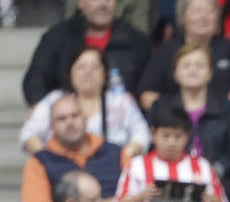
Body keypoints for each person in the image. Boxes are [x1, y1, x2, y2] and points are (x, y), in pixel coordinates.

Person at [23, 0, 151, 106]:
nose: (103, 4)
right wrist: (48, 108)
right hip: (68, 117)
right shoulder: (58, 37)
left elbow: (147, 88)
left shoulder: (136, 41)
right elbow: (34, 81)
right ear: (81, 2)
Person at [150, 43, 230, 202]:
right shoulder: (161, 106)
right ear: (176, 73)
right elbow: (151, 146)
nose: (193, 70)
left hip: (216, 179)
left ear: (210, 73)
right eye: (186, 65)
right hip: (169, 175)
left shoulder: (226, 107)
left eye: (200, 65)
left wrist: (213, 170)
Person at [138, 0, 230, 112]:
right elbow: (147, 94)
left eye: (210, 11)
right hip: (175, 123)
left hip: (221, 120)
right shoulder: (166, 50)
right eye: (197, 11)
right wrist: (173, 116)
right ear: (182, 17)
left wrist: (215, 114)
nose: (203, 17)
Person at [20, 93, 127, 202]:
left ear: (85, 118)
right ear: (51, 127)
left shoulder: (116, 153)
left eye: (75, 115)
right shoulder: (38, 163)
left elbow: (135, 199)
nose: (70, 123)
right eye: (62, 119)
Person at [22, 48, 150, 158]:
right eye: (81, 67)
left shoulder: (121, 101)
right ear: (70, 73)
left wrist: (125, 156)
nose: (88, 72)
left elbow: (142, 134)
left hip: (113, 171)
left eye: (95, 67)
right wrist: (48, 159)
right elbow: (29, 133)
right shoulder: (54, 100)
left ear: (105, 73)